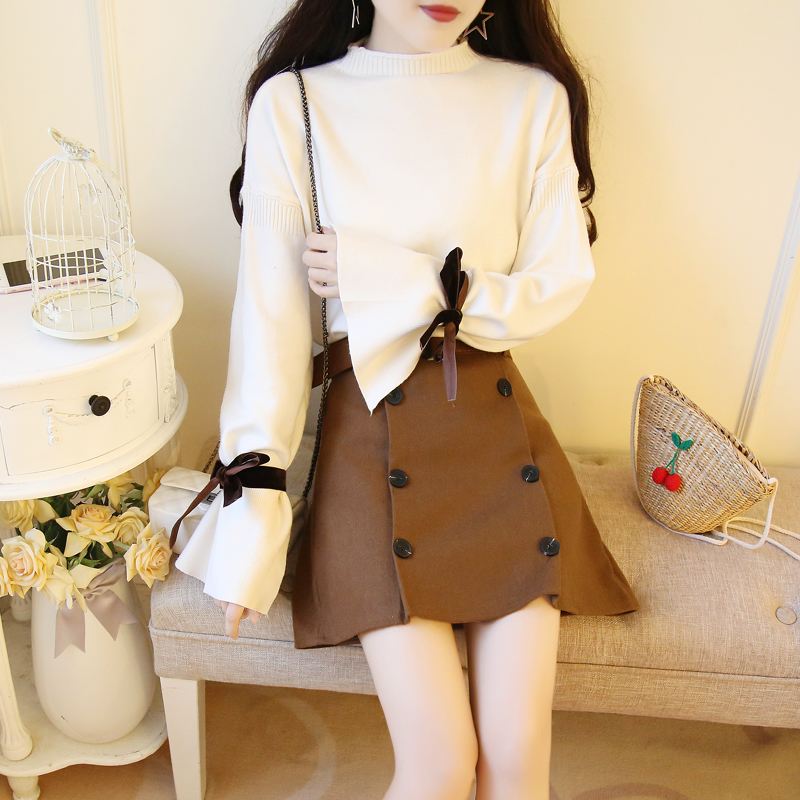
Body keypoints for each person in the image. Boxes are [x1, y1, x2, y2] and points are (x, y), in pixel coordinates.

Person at [173, 2, 640, 798]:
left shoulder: (533, 99)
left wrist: (406, 279)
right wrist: (253, 506)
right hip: (370, 444)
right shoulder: (296, 103)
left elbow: (559, 283)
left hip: (499, 440)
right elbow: (270, 319)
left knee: (518, 758)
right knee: (439, 763)